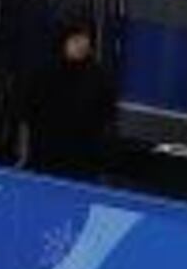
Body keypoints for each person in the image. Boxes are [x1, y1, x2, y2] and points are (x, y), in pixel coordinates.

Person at [23, 19, 120, 181]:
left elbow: (108, 116)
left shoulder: (100, 77)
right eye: (75, 40)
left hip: (83, 159)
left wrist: (103, 156)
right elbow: (28, 109)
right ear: (64, 43)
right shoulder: (44, 72)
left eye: (85, 40)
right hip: (45, 154)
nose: (81, 45)